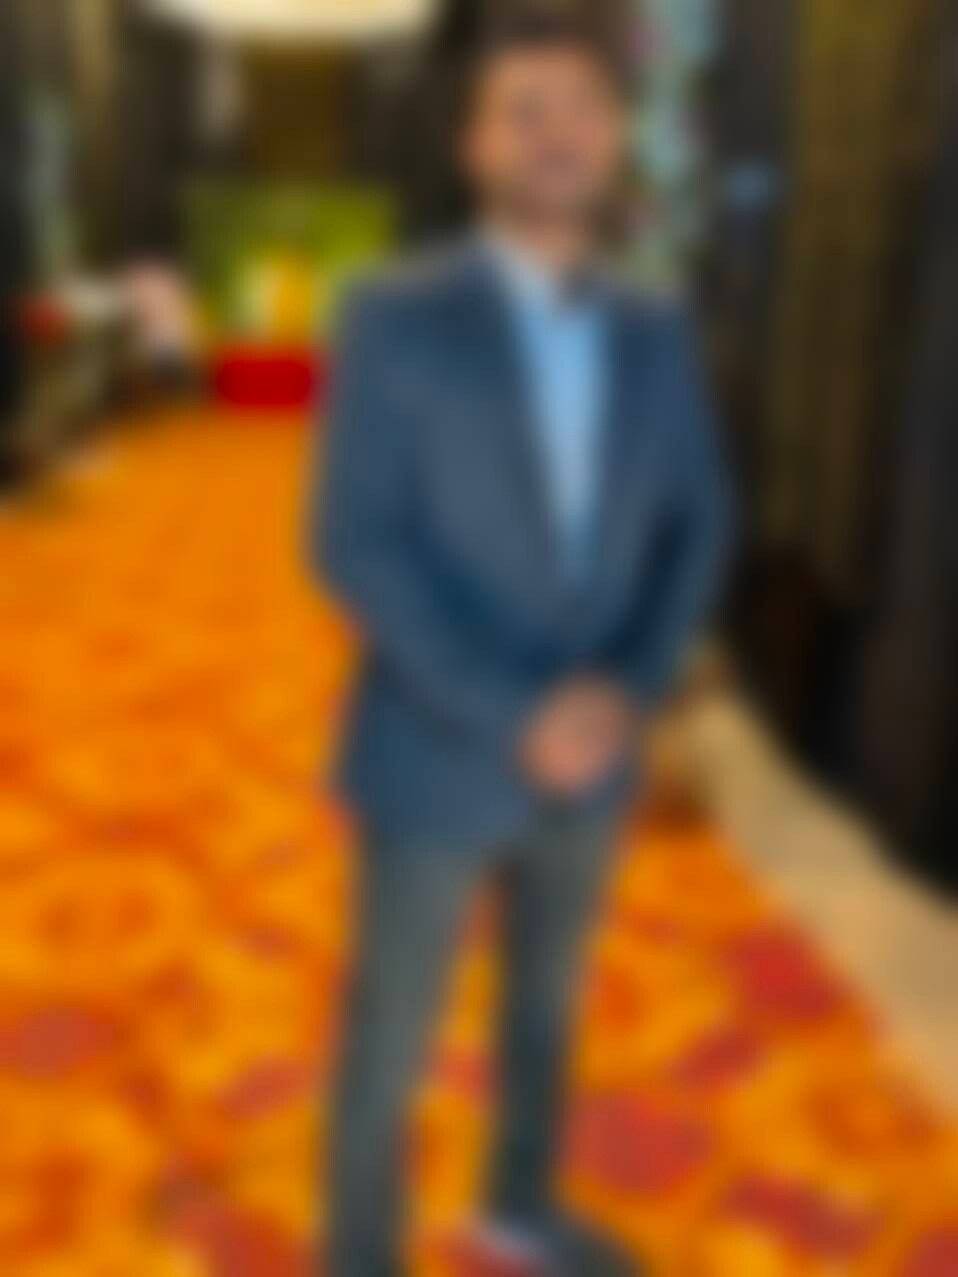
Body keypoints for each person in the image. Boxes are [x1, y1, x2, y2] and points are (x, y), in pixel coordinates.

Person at [312, 10, 731, 1275]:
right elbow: (353, 540)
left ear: (618, 135)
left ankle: (519, 1202)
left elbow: (701, 519)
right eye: (524, 110)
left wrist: (630, 690)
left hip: (596, 751)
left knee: (545, 1005)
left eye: (583, 108)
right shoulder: (393, 312)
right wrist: (516, 712)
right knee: (392, 1032)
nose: (558, 134)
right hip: (440, 744)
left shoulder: (655, 324)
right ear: (472, 144)